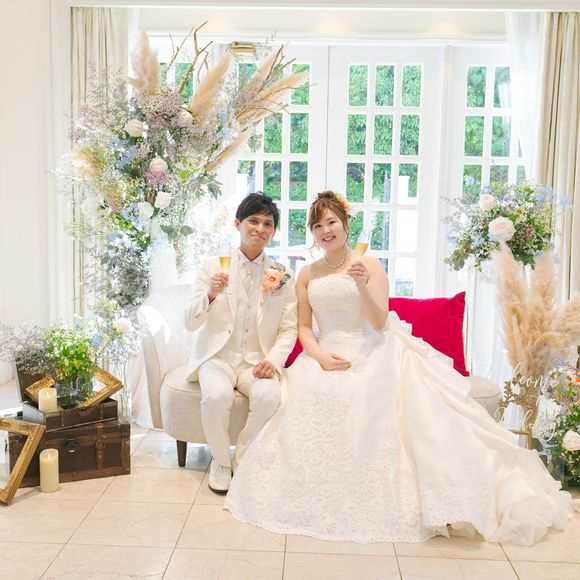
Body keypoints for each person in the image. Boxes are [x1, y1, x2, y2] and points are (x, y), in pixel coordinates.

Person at [224, 190, 572, 545]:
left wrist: (360, 285)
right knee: (307, 400)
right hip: (323, 354)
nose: (325, 231)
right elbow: (302, 327)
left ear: (345, 225)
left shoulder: (370, 266)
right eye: (317, 226)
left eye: (331, 222)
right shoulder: (306, 274)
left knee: (368, 398)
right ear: (312, 233)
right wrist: (320, 356)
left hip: (371, 349)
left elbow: (379, 322)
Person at [185, 193, 297, 493]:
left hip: (257, 361)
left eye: (267, 224)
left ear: (273, 231)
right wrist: (210, 295)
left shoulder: (283, 275)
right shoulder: (212, 267)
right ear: (238, 224)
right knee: (216, 397)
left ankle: (244, 457)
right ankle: (221, 462)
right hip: (218, 358)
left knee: (270, 397)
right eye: (253, 221)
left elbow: (289, 329)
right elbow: (189, 322)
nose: (260, 228)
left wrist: (272, 361)